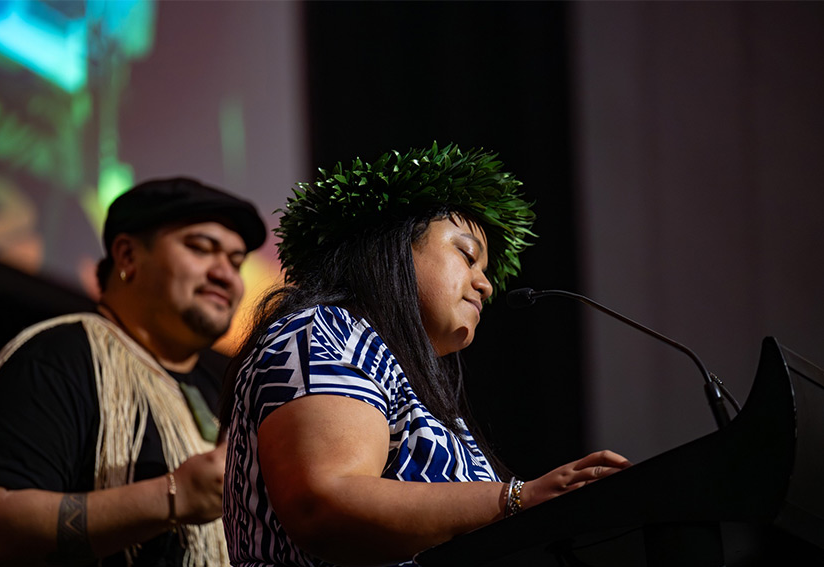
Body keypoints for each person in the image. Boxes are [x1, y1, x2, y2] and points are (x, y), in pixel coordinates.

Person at [221, 143, 631, 567]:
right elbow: (325, 504)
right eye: (467, 255)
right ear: (393, 249)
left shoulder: (408, 380)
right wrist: (517, 497)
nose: (485, 285)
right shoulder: (324, 330)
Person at [0, 177, 266, 567]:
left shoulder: (223, 394)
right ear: (127, 256)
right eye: (200, 248)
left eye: (236, 261)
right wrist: (177, 496)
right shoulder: (62, 354)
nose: (226, 275)